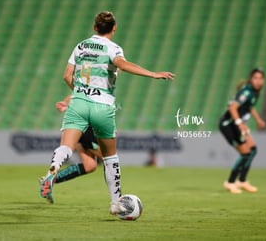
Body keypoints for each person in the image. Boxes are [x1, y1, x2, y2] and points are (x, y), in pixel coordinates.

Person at [39, 11, 174, 215]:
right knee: (110, 156)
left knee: (65, 146)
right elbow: (122, 65)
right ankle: (115, 203)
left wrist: (79, 91)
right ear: (114, 28)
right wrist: (153, 74)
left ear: (94, 28)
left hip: (79, 102)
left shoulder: (81, 46)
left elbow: (67, 75)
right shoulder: (113, 48)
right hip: (102, 105)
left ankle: (53, 169)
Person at [219, 68, 266, 194]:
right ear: (251, 79)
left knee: (253, 150)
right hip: (228, 125)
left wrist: (258, 120)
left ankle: (242, 181)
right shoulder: (246, 92)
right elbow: (233, 108)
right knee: (245, 153)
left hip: (237, 125)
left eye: (260, 78)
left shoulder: (256, 92)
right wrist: (240, 124)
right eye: (256, 78)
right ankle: (230, 182)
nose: (258, 81)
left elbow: (249, 107)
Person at [51, 95, 103, 184]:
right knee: (107, 158)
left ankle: (52, 179)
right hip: (85, 129)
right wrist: (68, 104)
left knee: (90, 165)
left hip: (87, 129)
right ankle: (116, 195)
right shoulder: (93, 86)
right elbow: (75, 95)